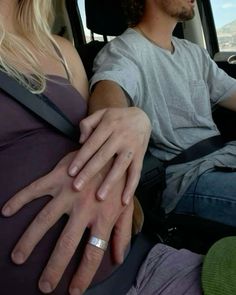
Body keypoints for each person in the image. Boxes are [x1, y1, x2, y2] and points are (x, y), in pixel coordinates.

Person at [0, 1, 204, 295]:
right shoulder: (123, 51)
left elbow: (97, 130)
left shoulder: (61, 51)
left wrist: (136, 121)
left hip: (143, 263)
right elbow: (110, 88)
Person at [88, 0, 236, 227]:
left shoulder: (193, 52)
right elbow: (109, 91)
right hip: (187, 176)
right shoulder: (124, 51)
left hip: (225, 155)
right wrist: (114, 124)